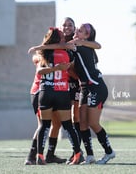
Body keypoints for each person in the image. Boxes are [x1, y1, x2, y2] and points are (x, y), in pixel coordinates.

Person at [28, 17, 102, 164]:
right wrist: (40, 53)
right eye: (64, 25)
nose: (67, 27)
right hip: (50, 88)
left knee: (75, 119)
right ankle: (35, 155)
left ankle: (76, 153)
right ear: (60, 28)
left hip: (71, 85)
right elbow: (37, 59)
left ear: (74, 28)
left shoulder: (75, 42)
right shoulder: (54, 41)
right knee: (51, 123)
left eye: (70, 25)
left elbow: (96, 47)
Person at [35, 27, 82, 165]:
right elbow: (72, 66)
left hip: (46, 92)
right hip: (61, 92)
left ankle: (40, 156)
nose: (64, 40)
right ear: (57, 39)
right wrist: (59, 68)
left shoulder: (43, 52)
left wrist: (54, 68)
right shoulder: (67, 53)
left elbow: (39, 71)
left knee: (44, 125)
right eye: (61, 37)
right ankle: (78, 154)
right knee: (68, 125)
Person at [71, 23, 116, 164]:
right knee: (82, 122)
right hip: (85, 88)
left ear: (86, 36)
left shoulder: (80, 44)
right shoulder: (77, 44)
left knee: (92, 123)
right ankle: (90, 155)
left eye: (81, 31)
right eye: (77, 29)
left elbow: (98, 45)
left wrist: (41, 48)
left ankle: (109, 152)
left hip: (96, 87)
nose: (76, 31)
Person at [24, 52, 66, 165]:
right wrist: (39, 57)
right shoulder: (45, 52)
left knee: (57, 124)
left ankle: (50, 155)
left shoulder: (62, 53)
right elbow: (36, 57)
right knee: (42, 125)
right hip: (39, 92)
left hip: (53, 91)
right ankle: (31, 156)